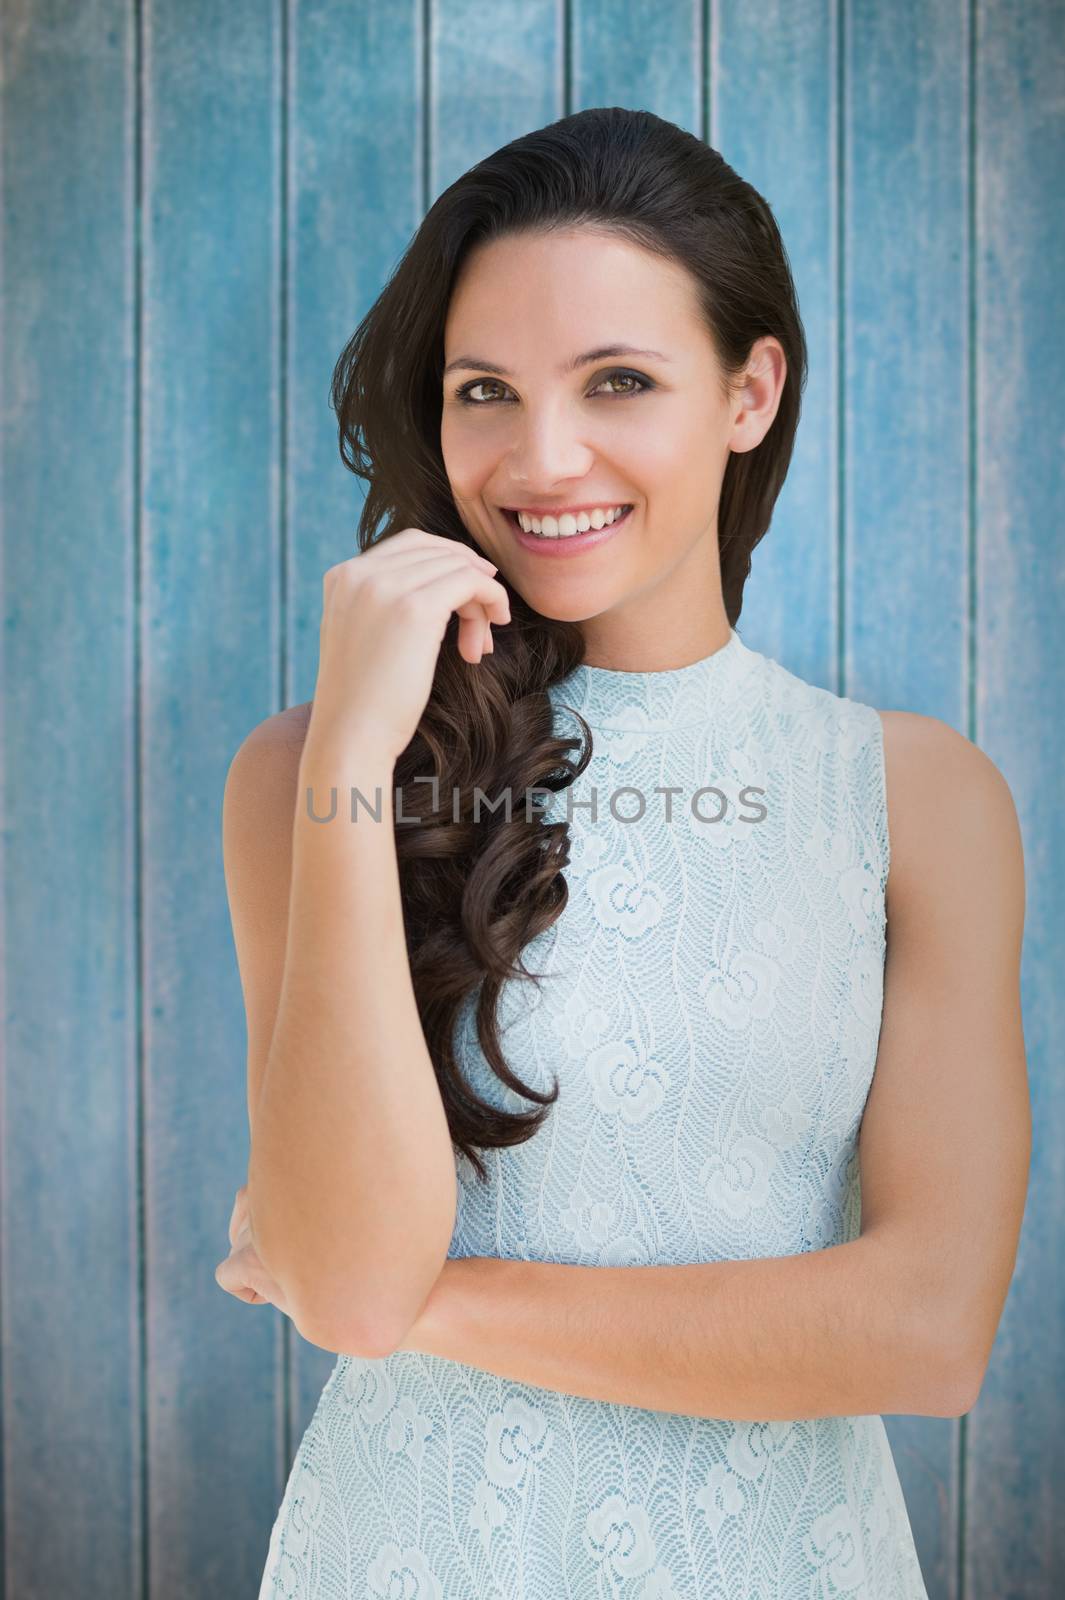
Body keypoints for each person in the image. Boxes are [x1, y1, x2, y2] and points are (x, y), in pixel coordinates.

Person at [217, 107, 1030, 1599]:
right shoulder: (305, 776)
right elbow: (341, 1275)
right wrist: (347, 753)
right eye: (484, 391)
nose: (541, 457)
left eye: (618, 382)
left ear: (747, 390)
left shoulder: (916, 798)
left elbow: (925, 1333)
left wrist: (421, 1308)